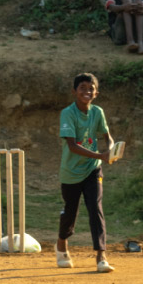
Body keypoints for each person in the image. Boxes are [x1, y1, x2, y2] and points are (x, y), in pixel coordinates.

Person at [55, 72, 115, 273]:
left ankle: (101, 256)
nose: (87, 92)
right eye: (82, 88)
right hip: (71, 172)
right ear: (74, 91)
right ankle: (61, 244)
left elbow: (107, 136)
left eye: (91, 89)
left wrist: (111, 149)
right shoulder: (68, 113)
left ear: (96, 93)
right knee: (70, 211)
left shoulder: (97, 112)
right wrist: (101, 155)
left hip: (92, 169)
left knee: (95, 208)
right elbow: (72, 146)